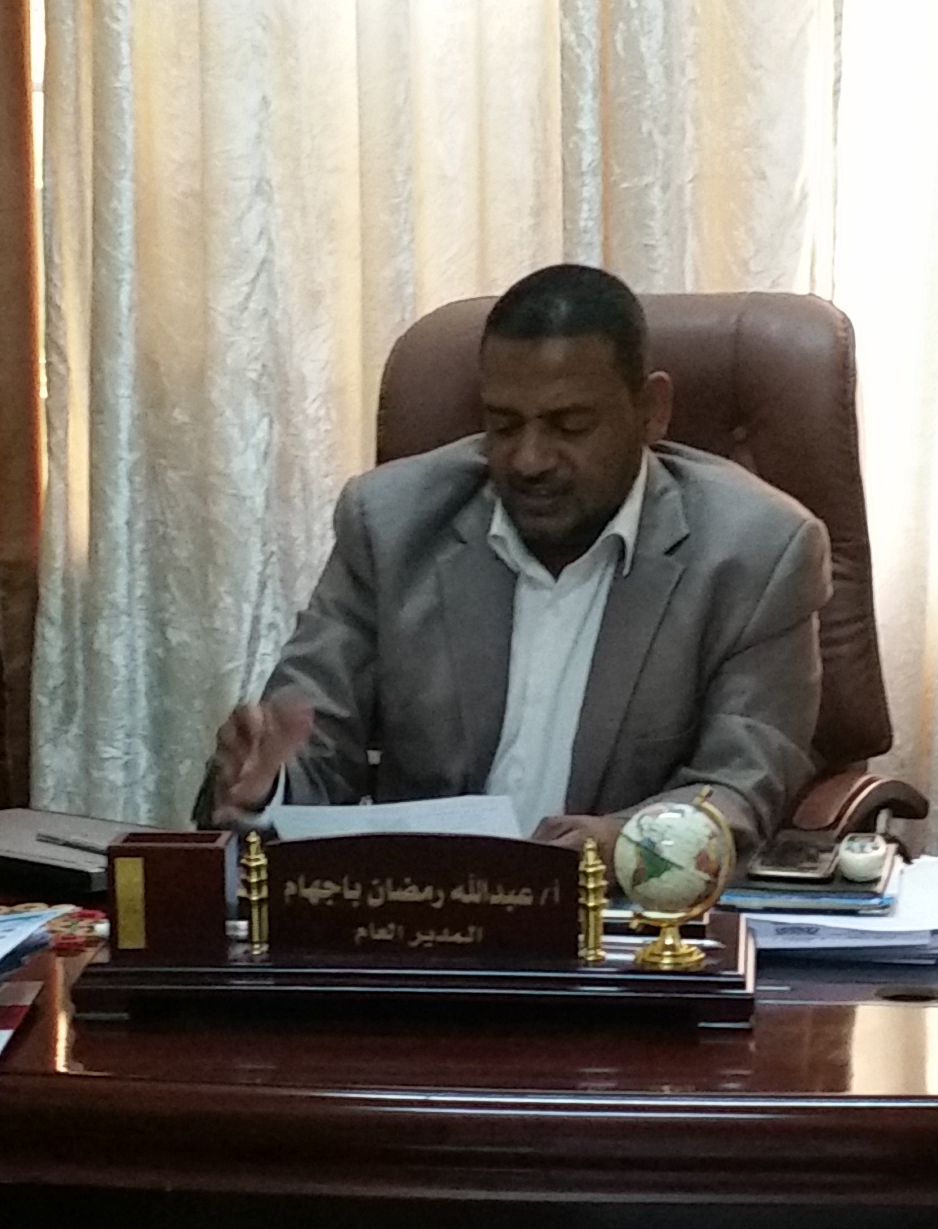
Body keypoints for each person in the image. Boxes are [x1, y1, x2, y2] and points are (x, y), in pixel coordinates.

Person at [201, 262, 832, 853]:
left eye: (569, 426)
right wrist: (268, 787)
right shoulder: (390, 525)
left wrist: (622, 847)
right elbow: (310, 737)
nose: (529, 460)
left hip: (625, 918)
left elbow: (738, 786)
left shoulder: (757, 553)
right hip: (427, 913)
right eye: (504, 425)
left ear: (650, 412)